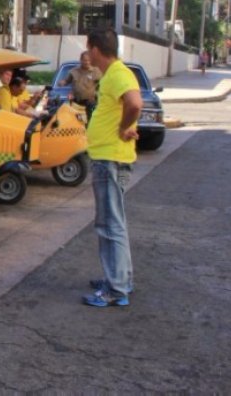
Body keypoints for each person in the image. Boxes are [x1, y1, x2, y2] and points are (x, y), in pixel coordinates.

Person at [82, 28, 141, 308]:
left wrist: (123, 127)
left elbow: (134, 104)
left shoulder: (118, 73)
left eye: (88, 47)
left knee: (109, 225)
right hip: (110, 158)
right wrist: (125, 127)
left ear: (95, 49)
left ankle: (116, 289)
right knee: (115, 223)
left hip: (110, 160)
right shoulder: (115, 74)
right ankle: (121, 279)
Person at [60, 51, 102, 117]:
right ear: (81, 60)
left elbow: (103, 84)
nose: (87, 62)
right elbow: (67, 81)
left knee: (90, 122)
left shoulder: (96, 71)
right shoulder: (74, 71)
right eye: (85, 60)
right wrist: (62, 83)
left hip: (90, 103)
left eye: (89, 60)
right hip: (76, 102)